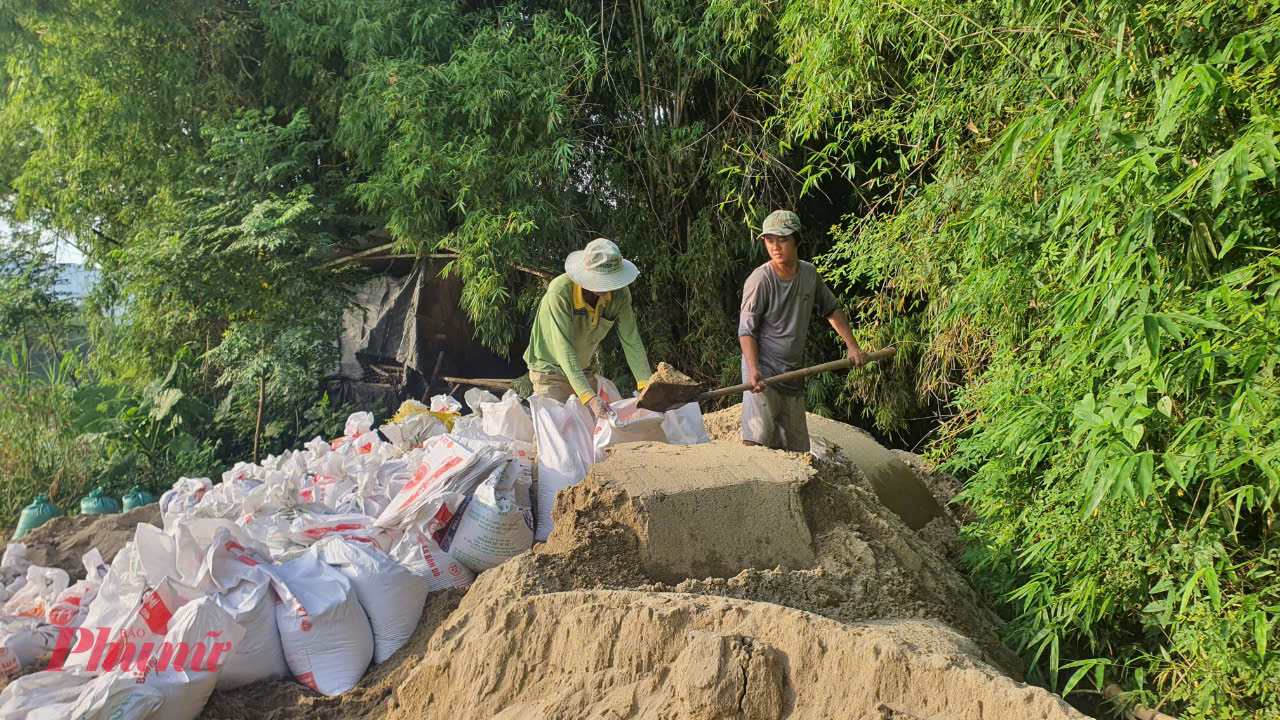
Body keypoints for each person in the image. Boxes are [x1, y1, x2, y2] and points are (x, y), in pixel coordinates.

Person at [739, 210, 867, 452]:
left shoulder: (808, 274)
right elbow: (746, 330)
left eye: (783, 239)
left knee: (797, 450)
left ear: (797, 240)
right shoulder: (760, 280)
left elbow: (831, 309)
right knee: (757, 439)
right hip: (764, 372)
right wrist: (754, 369)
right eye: (769, 240)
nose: (775, 247)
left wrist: (853, 346)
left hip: (793, 374)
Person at [524, 238, 653, 419]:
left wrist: (646, 385)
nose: (607, 286)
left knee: (593, 434)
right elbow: (563, 348)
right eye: (601, 280)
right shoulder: (560, 292)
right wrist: (589, 397)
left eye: (610, 280)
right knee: (554, 436)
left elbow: (631, 340)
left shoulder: (620, 294)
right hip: (550, 372)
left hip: (584, 370)